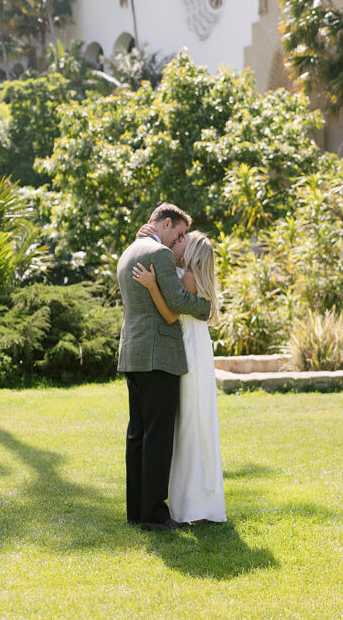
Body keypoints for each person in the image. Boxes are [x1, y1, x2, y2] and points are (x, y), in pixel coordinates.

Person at [116, 202, 212, 531]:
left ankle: (137, 510)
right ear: (166, 223)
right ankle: (155, 515)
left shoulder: (129, 251)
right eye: (179, 232)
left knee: (138, 435)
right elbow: (177, 302)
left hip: (133, 354)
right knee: (158, 436)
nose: (179, 240)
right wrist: (206, 307)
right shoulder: (158, 254)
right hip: (159, 356)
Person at [132, 230, 226, 524]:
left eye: (184, 239)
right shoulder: (189, 275)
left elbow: (170, 313)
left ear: (192, 250)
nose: (178, 240)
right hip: (195, 348)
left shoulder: (186, 278)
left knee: (186, 424)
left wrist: (150, 286)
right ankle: (196, 502)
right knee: (191, 422)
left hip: (186, 351)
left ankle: (189, 505)